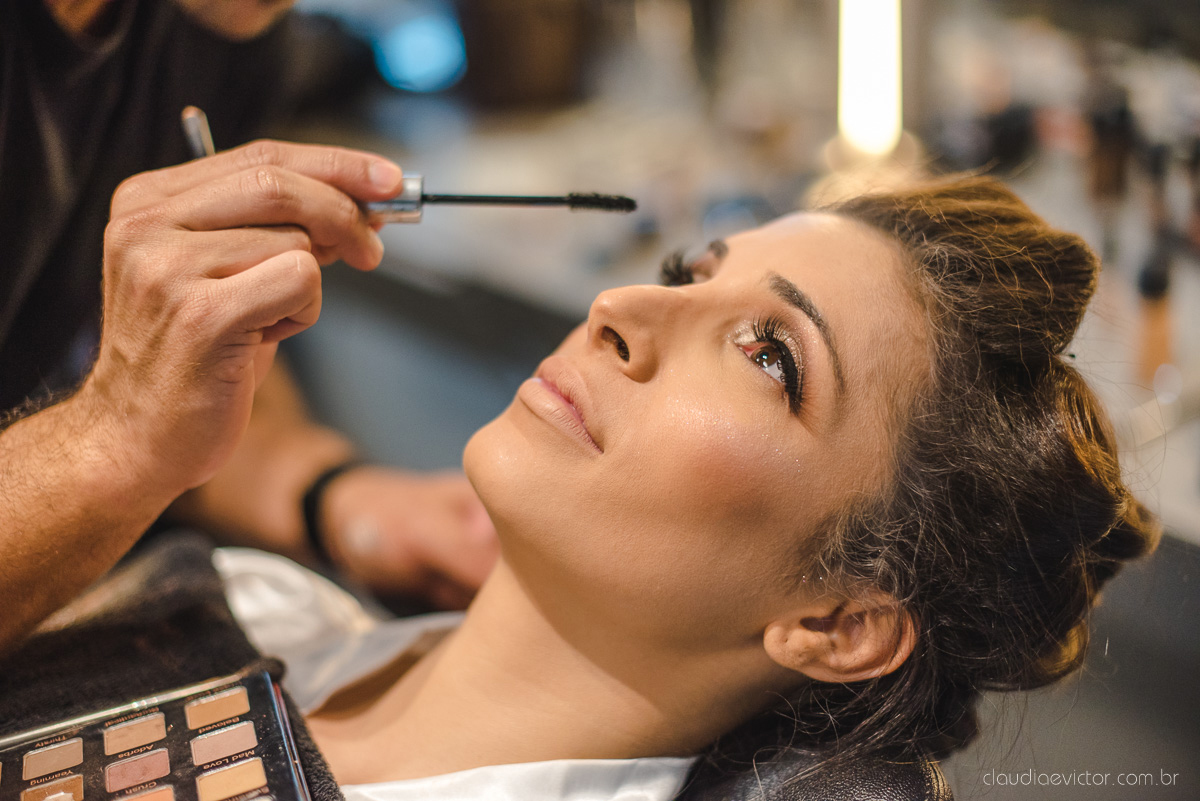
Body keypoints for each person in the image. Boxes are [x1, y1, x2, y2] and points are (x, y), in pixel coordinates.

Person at [195, 172, 1157, 798]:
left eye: (770, 355)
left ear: (837, 620)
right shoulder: (255, 609)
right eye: (687, 271)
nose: (619, 306)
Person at [0, 0, 497, 651]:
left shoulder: (224, 32)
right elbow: (144, 421)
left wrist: (338, 501)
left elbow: (200, 401)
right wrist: (118, 430)